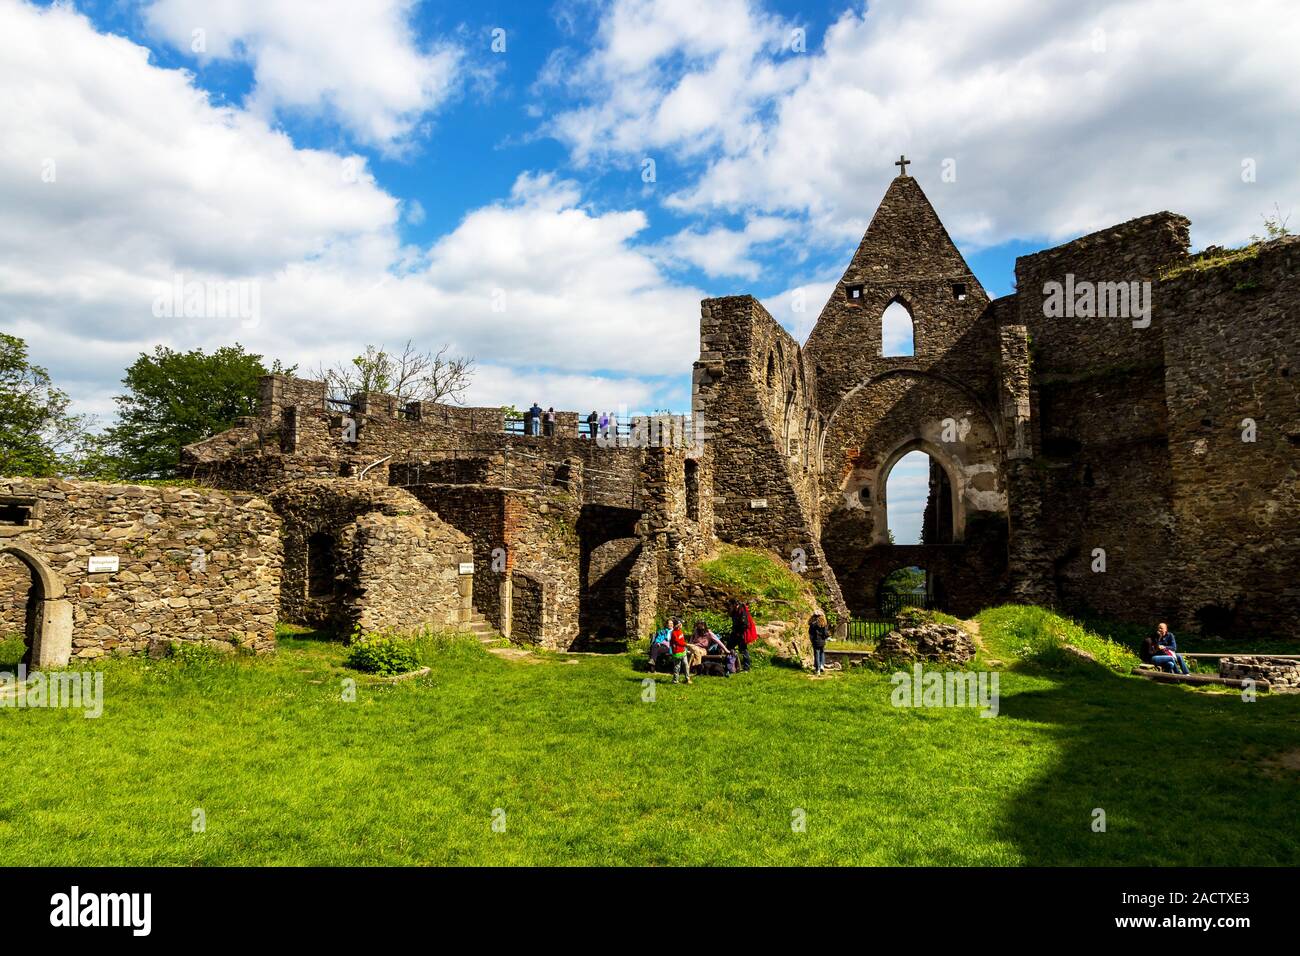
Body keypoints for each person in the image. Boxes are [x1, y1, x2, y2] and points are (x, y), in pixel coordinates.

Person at [727, 598, 753, 672]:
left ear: (735, 604)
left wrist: (739, 633)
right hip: (735, 633)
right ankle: (731, 665)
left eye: (730, 605)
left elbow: (745, 624)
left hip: (740, 633)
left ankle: (747, 668)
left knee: (743, 650)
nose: (729, 606)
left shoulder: (742, 610)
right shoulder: (735, 611)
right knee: (729, 647)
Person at [670, 619, 691, 684]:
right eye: (680, 624)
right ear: (677, 625)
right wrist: (686, 644)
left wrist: (685, 647)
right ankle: (675, 680)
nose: (681, 625)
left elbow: (682, 640)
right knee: (677, 667)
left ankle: (687, 679)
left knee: (686, 665)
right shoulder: (673, 633)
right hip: (677, 652)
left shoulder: (680, 631)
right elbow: (678, 642)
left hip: (683, 651)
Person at [808, 611, 830, 675]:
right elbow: (826, 634)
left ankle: (817, 670)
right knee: (822, 653)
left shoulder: (812, 625)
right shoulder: (823, 624)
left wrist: (811, 640)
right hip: (822, 641)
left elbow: (810, 634)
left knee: (816, 654)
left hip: (815, 641)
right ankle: (822, 665)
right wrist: (826, 638)